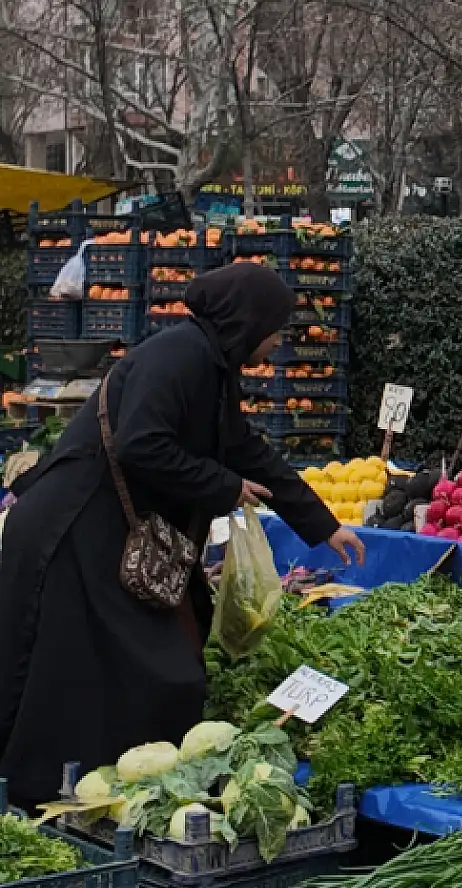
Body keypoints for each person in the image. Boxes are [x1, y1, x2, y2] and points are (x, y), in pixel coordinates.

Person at [0, 262, 364, 808]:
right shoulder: (178, 357)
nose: (277, 343)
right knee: (79, 668)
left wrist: (322, 524)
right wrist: (224, 486)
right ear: (247, 322)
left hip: (110, 533)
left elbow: (246, 450)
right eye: (275, 329)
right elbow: (140, 444)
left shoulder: (212, 366)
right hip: (72, 531)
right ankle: (42, 794)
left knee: (137, 667)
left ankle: (99, 791)